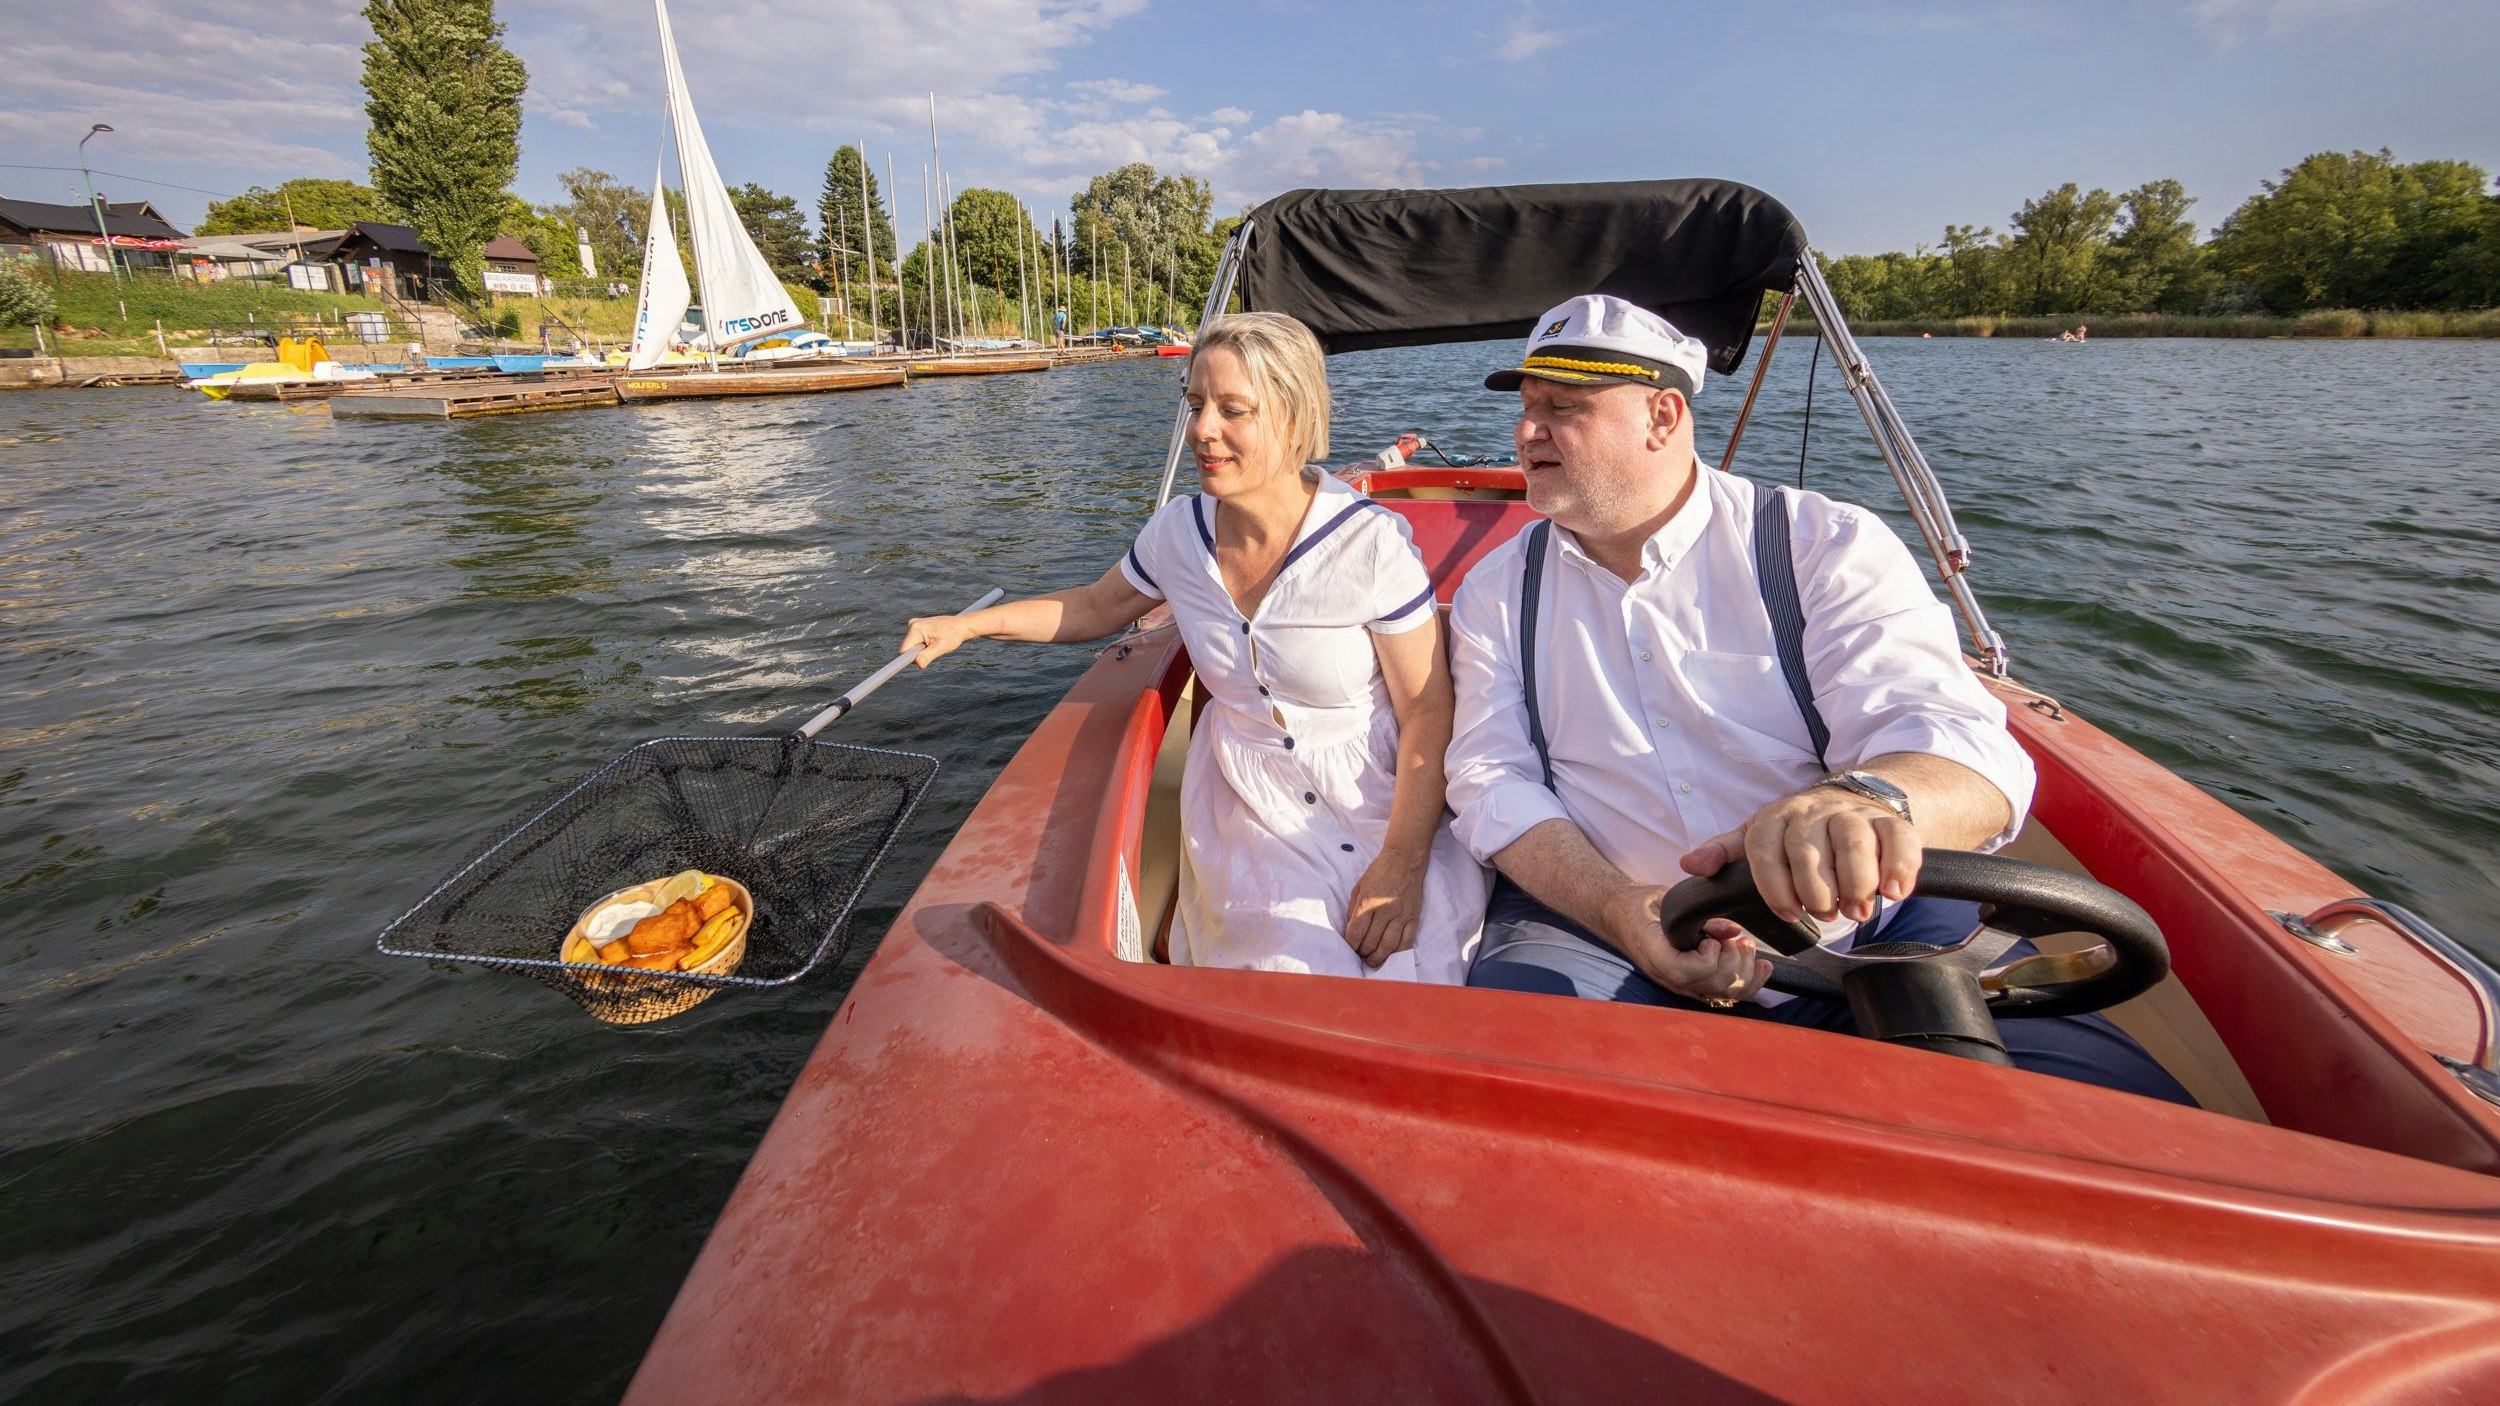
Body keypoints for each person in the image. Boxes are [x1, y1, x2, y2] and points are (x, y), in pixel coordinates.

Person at [1442, 294, 2189, 1101]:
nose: (1526, 433)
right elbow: (1491, 778)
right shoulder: (1497, 589)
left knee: (2112, 1124)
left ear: (1662, 415)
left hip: (1876, 924)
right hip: (1600, 925)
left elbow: (1964, 749)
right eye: (1526, 409)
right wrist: (1619, 908)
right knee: (1512, 1101)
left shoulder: (1821, 545)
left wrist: (1859, 807)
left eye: (1563, 409)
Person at [901, 312, 1486, 981]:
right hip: (1250, 806)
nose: (1203, 429)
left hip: (1381, 796)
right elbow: (1095, 607)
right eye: (1196, 405)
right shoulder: (1178, 534)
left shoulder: (1371, 545)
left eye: (1233, 409)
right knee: (1288, 977)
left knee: (1415, 976)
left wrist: (1403, 864)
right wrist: (969, 625)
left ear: (1296, 420)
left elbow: (1427, 712)